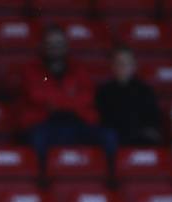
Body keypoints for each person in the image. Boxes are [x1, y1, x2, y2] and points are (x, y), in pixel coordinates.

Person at [21, 27, 115, 163]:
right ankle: (42, 176)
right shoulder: (32, 70)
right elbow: (36, 95)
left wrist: (56, 101)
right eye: (50, 44)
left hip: (77, 122)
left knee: (108, 136)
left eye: (59, 43)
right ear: (43, 46)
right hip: (46, 123)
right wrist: (70, 98)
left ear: (66, 46)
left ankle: (109, 175)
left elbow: (87, 96)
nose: (55, 47)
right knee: (37, 139)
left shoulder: (78, 69)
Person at [95, 47, 163, 147]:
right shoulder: (103, 91)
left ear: (134, 66)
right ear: (112, 66)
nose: (123, 67)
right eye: (119, 63)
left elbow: (153, 119)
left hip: (139, 136)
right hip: (114, 137)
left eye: (127, 63)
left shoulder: (145, 91)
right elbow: (101, 120)